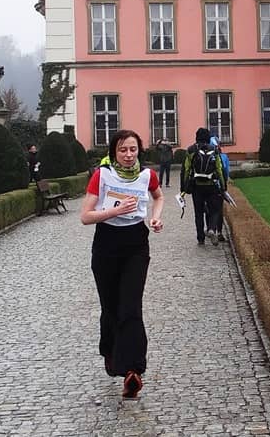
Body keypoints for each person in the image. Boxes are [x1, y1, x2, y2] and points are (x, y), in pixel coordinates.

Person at [80, 129, 164, 399]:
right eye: (123, 150)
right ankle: (110, 352)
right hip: (106, 244)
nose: (128, 155)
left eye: (133, 149)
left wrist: (155, 218)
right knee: (110, 308)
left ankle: (132, 371)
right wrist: (114, 211)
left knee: (131, 306)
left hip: (136, 244)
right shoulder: (102, 175)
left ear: (139, 150)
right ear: (114, 152)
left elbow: (158, 197)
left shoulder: (147, 175)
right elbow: (85, 216)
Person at [182, 128, 225, 245]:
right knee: (215, 209)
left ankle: (200, 238)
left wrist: (184, 187)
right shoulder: (214, 149)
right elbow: (219, 169)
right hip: (211, 185)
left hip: (197, 186)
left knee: (198, 212)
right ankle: (211, 229)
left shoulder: (191, 150)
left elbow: (187, 169)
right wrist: (223, 186)